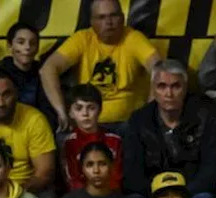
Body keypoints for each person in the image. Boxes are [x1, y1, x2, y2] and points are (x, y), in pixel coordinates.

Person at [40, 0, 161, 131]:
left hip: (128, 123)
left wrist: (150, 113)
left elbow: (160, 69)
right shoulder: (83, 39)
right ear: (92, 22)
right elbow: (47, 69)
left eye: (113, 15)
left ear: (122, 18)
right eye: (101, 17)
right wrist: (62, 111)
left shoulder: (133, 38)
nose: (109, 22)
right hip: (88, 122)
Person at [121, 61, 216, 198]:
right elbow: (132, 173)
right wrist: (159, 196)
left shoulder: (205, 117)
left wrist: (182, 195)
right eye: (162, 86)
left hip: (192, 192)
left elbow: (212, 168)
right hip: (153, 194)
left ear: (185, 88)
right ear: (153, 90)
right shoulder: (139, 120)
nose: (169, 94)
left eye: (176, 86)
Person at [60, 85, 124, 192]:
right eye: (79, 108)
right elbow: (73, 180)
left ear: (100, 110)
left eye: (91, 108)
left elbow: (117, 176)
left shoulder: (114, 140)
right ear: (70, 113)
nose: (85, 114)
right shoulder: (69, 143)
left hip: (112, 197)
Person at [0, 22, 44, 108]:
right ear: (10, 46)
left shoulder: (44, 72)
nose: (27, 47)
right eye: (21, 42)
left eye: (32, 43)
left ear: (37, 48)